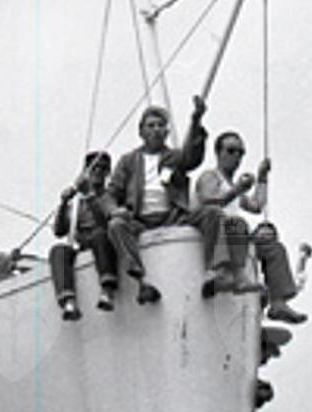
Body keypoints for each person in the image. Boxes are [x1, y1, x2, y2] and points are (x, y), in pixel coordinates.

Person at [106, 96, 215, 303]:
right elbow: (112, 192)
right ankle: (140, 281)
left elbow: (192, 156)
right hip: (139, 220)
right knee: (116, 225)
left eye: (161, 125)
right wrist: (114, 210)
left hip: (174, 216)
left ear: (167, 131)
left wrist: (196, 120)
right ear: (141, 131)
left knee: (213, 213)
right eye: (151, 125)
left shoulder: (175, 157)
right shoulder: (128, 161)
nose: (156, 129)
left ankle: (212, 270)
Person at [194, 132, 309, 324]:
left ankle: (278, 301)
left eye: (241, 152)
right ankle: (228, 274)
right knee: (236, 223)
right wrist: (237, 190)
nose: (236, 157)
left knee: (273, 247)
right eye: (231, 151)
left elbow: (256, 206)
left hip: (234, 234)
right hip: (218, 230)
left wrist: (262, 178)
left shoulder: (231, 185)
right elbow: (209, 200)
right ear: (218, 153)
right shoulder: (210, 177)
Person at [50, 151, 118, 320]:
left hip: (104, 241)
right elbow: (59, 231)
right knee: (58, 250)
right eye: (93, 168)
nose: (98, 171)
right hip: (82, 243)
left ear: (108, 173)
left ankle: (107, 289)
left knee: (99, 235)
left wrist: (90, 195)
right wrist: (63, 203)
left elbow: (105, 221)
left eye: (103, 168)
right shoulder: (76, 202)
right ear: (86, 171)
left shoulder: (110, 195)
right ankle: (68, 301)